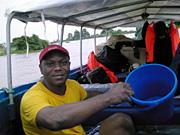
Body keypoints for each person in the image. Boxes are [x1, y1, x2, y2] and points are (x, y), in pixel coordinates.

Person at [20, 44, 135, 135]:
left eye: (63, 63)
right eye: (50, 64)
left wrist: (117, 93)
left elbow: (87, 95)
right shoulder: (31, 97)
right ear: (41, 69)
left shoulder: (72, 85)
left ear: (69, 65)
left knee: (121, 119)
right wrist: (109, 97)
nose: (58, 68)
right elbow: (53, 119)